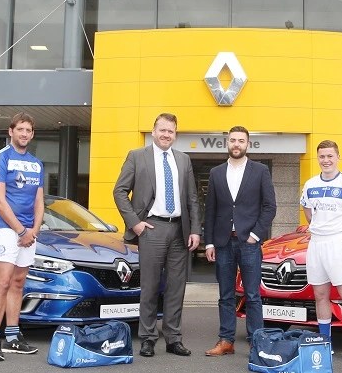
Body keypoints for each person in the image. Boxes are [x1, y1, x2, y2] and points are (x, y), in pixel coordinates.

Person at [112, 113, 201, 358]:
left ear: (175, 134)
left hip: (179, 230)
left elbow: (192, 198)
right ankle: (148, 338)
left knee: (176, 288)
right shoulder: (136, 156)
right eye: (162, 130)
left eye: (170, 131)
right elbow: (119, 191)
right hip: (151, 228)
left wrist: (195, 229)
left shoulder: (183, 159)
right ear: (153, 132)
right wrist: (135, 224)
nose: (166, 135)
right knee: (150, 287)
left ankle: (173, 339)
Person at [203, 126, 277, 357]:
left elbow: (270, 207)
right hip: (223, 243)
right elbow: (210, 209)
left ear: (248, 144)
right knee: (225, 295)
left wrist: (256, 235)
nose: (236, 144)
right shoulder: (216, 173)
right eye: (233, 140)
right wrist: (209, 243)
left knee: (252, 295)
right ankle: (226, 341)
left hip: (249, 243)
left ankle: (257, 342)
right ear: (227, 143)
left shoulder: (260, 171)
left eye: (241, 141)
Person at [0, 113, 45, 361]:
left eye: (28, 130)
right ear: (11, 131)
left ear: (32, 134)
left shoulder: (36, 163)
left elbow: (39, 201)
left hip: (28, 232)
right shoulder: (1, 158)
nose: (24, 134)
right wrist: (21, 230)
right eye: (20, 129)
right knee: (3, 282)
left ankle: (12, 337)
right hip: (5, 229)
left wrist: (34, 230)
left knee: (18, 283)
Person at [299, 140, 342, 362]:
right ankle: (324, 342)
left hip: (338, 241)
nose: (326, 160)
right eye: (322, 156)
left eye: (330, 156)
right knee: (320, 295)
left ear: (338, 157)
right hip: (317, 242)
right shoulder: (310, 184)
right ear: (318, 158)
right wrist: (319, 227)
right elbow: (308, 211)